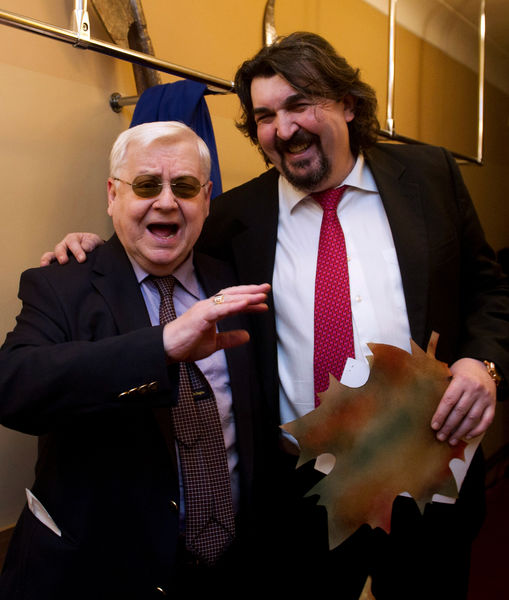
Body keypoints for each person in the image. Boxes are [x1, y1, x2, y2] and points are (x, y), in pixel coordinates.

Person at [40, 32, 509, 599]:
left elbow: (489, 290)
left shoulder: (429, 178)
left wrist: (483, 364)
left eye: (299, 104)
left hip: (429, 475)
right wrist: (92, 252)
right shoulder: (235, 217)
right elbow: (159, 243)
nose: (283, 129)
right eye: (265, 116)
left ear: (347, 104)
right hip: (300, 494)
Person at [0, 121, 271, 599]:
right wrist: (161, 346)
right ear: (113, 194)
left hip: (231, 571)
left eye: (184, 187)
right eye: (146, 185)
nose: (166, 202)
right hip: (100, 577)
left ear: (207, 199)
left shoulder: (238, 282)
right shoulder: (61, 284)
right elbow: (13, 388)